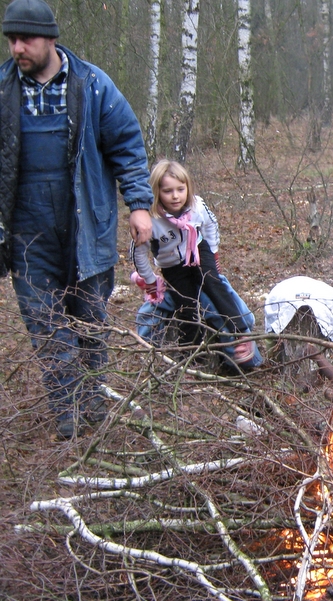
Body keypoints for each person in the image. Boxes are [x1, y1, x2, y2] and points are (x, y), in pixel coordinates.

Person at [0, 0, 153, 439]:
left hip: (88, 227)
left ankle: (93, 411)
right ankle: (69, 424)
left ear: (50, 38)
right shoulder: (3, 89)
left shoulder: (92, 85)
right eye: (11, 39)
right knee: (45, 325)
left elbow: (127, 144)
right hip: (28, 236)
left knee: (89, 325)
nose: (17, 48)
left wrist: (139, 204)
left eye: (25, 39)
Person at [132, 159, 256, 365]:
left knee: (212, 283)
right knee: (186, 304)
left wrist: (213, 254)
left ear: (187, 188)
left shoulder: (196, 205)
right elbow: (138, 252)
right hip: (172, 264)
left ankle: (240, 333)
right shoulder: (150, 219)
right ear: (157, 192)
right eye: (168, 191)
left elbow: (210, 225)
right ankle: (192, 357)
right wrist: (149, 279)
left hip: (199, 250)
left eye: (180, 189)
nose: (175, 196)